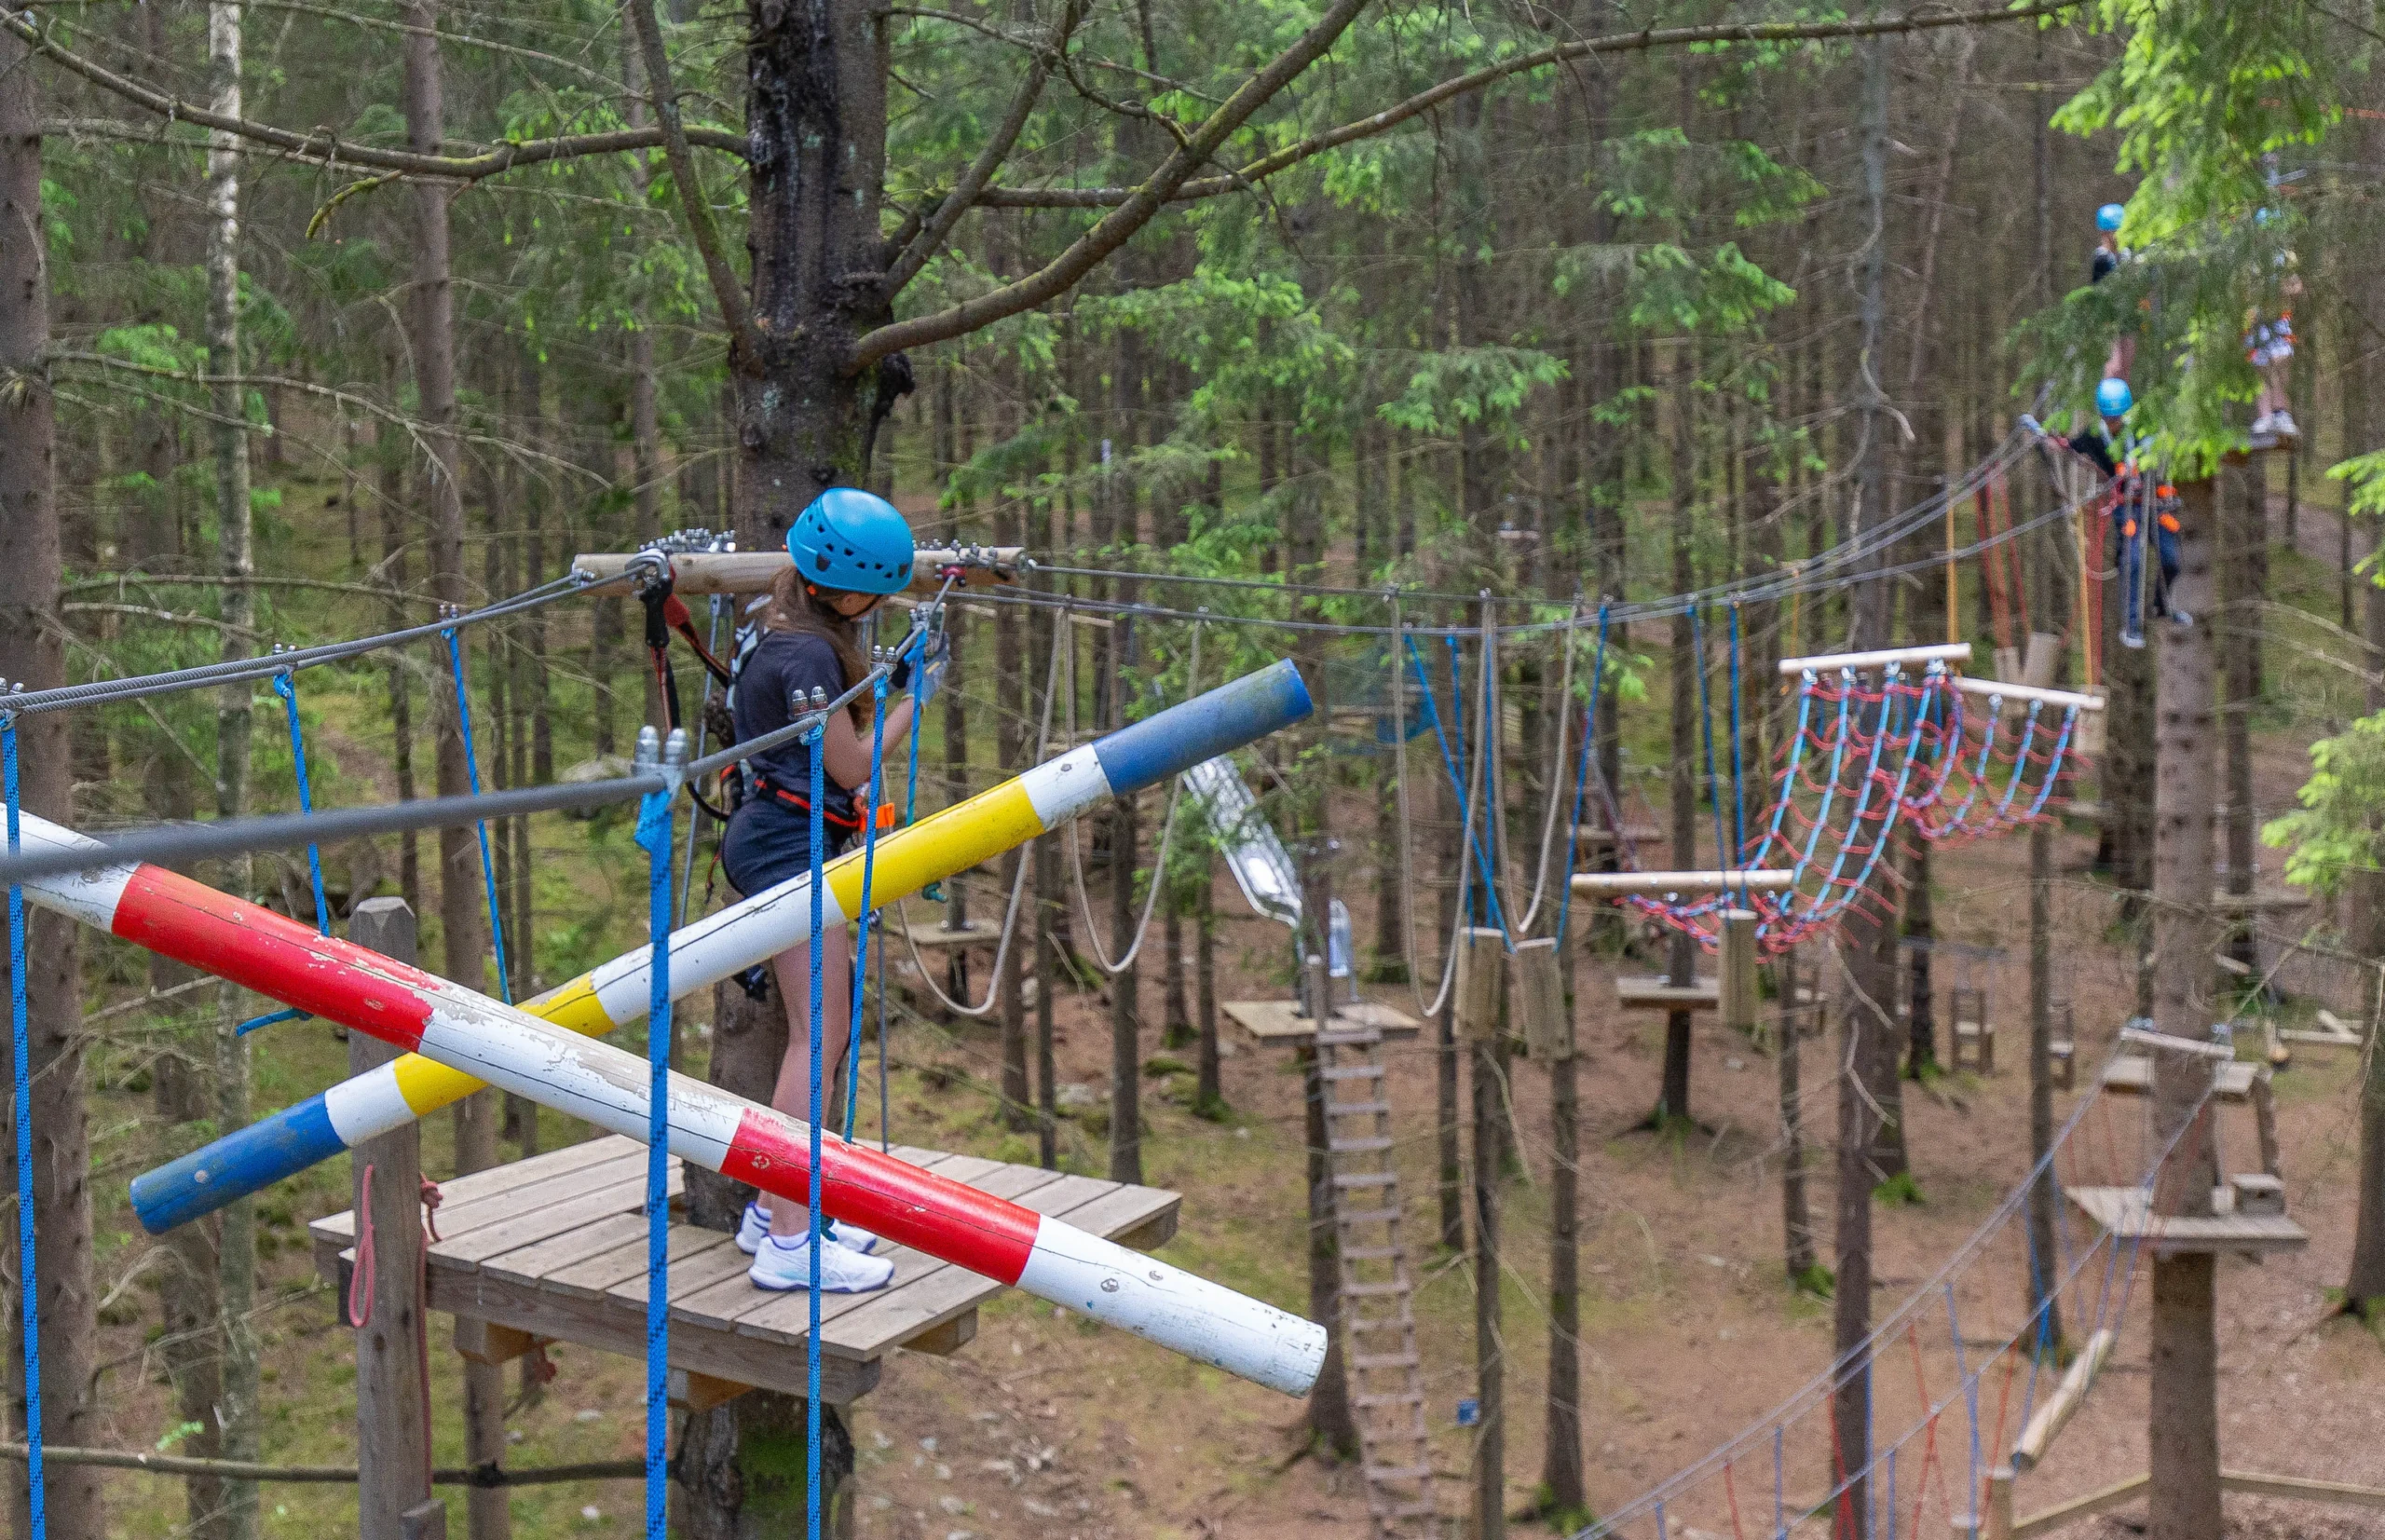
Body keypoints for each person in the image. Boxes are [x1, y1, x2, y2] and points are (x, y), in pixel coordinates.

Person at [721, 487, 932, 1293]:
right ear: (841, 588)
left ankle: (772, 1208)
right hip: (787, 848)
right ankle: (785, 1239)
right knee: (822, 1038)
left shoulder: (774, 624)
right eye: (872, 594)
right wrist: (911, 699)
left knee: (817, 1034)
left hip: (781, 835)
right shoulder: (807, 655)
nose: (876, 606)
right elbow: (850, 765)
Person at [2092, 203, 2134, 382]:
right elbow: (2104, 289)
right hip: (2109, 320)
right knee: (2113, 365)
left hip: (2128, 317)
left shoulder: (2127, 255)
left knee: (2126, 365)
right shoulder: (2102, 257)